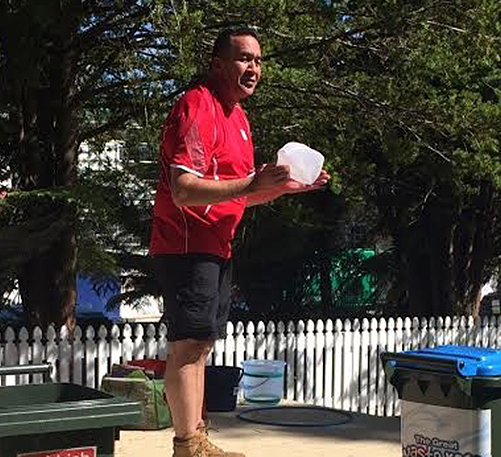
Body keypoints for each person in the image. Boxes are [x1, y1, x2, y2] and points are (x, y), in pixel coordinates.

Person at [149, 27, 330, 457]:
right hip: (186, 243)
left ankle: (197, 437)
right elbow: (183, 189)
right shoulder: (198, 105)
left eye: (259, 61)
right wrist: (252, 182)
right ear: (217, 65)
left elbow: (240, 195)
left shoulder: (239, 119)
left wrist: (283, 188)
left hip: (217, 245)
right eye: (244, 58)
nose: (254, 68)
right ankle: (187, 444)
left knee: (200, 344)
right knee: (188, 344)